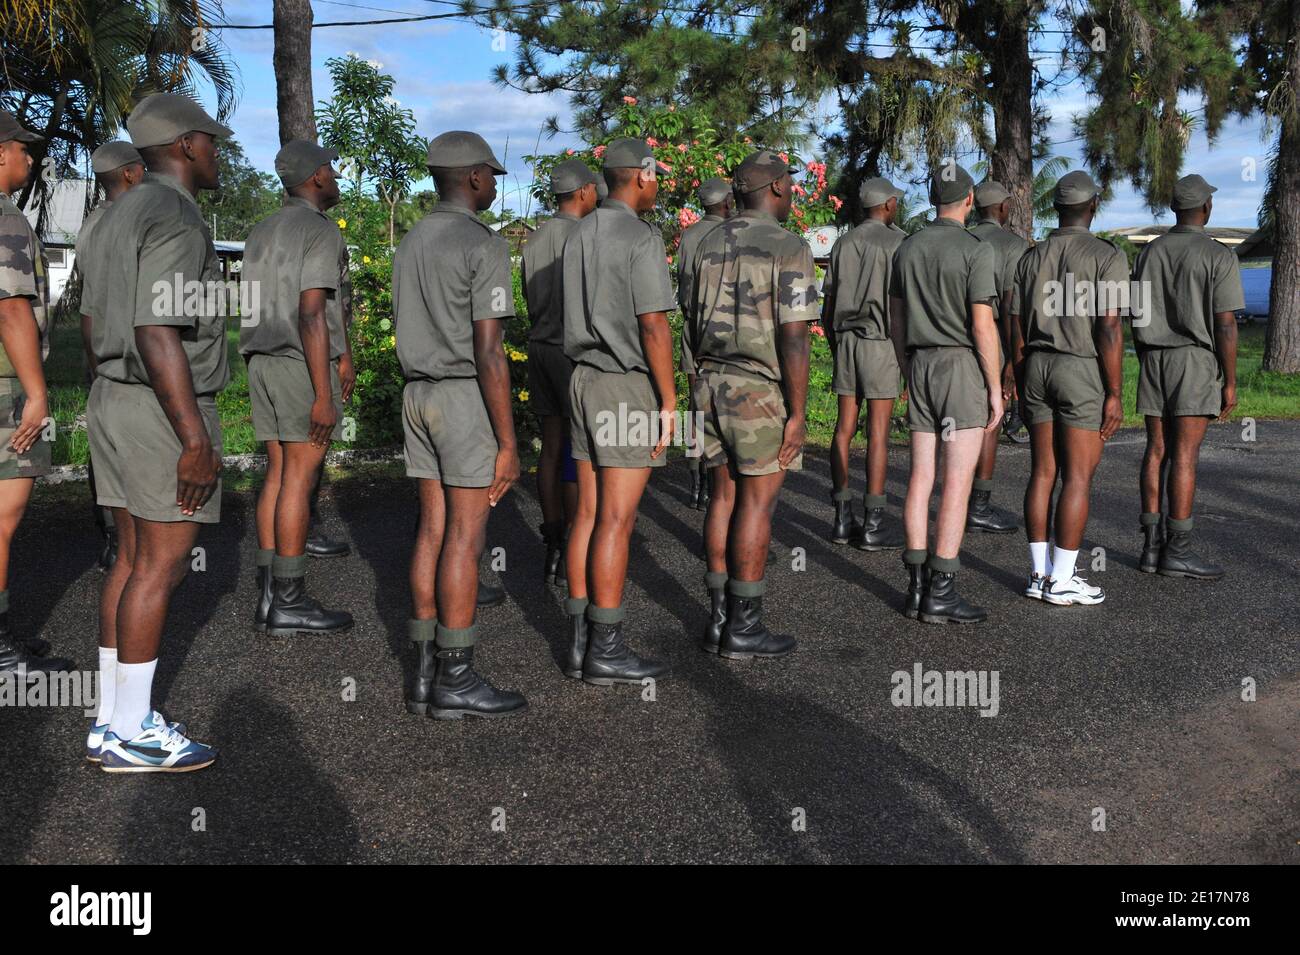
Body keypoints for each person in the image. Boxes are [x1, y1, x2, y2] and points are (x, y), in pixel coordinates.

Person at [82, 92, 232, 771]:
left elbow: (97, 321)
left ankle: (111, 720)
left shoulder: (117, 211)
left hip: (113, 396)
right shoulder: (174, 210)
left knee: (130, 558)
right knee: (161, 565)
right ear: (186, 145)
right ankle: (137, 730)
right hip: (161, 406)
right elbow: (157, 326)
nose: (218, 152)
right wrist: (194, 436)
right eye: (213, 140)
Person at [395, 131, 525, 719]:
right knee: (466, 540)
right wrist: (508, 441)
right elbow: (490, 350)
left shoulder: (413, 238)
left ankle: (423, 673)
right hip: (463, 399)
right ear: (473, 177)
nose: (496, 184)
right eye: (492, 175)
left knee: (431, 529)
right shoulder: (484, 245)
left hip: (416, 395)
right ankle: (458, 676)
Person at [690, 149, 816, 659]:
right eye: (791, 183)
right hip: (758, 390)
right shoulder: (789, 246)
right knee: (757, 504)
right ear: (779, 188)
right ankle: (745, 625)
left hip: (708, 384)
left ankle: (719, 619)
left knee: (723, 498)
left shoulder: (703, 241)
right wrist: (799, 411)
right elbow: (795, 337)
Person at [560, 137, 674, 685]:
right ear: (641, 177)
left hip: (581, 380)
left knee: (587, 512)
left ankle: (581, 639)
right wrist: (671, 400)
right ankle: (606, 647)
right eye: (656, 177)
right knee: (616, 519)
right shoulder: (640, 237)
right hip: (624, 385)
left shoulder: (578, 232)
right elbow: (653, 325)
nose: (660, 186)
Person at [241, 140, 354, 636]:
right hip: (299, 364)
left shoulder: (261, 229)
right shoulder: (318, 230)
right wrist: (324, 394)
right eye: (329, 168)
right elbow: (311, 313)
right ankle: (290, 598)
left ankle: (270, 593)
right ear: (314, 178)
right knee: (299, 480)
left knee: (277, 474)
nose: (334, 175)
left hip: (260, 361)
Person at [889, 163, 1003, 624]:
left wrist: (905, 367)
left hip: (919, 364)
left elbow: (896, 320)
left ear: (933, 198)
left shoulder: (907, 247)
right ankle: (942, 589)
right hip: (960, 366)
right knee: (956, 480)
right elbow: (983, 325)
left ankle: (915, 587)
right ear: (969, 199)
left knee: (920, 477)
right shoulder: (976, 250)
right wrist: (995, 388)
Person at [1009, 171, 1127, 605]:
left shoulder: (1029, 257)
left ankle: (1039, 575)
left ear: (1056, 208)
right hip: (1080, 369)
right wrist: (1114, 392)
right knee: (1078, 476)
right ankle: (1062, 579)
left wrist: (1021, 379)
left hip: (1037, 366)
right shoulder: (1105, 255)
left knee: (1042, 472)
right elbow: (1109, 325)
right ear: (1092, 206)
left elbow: (1015, 325)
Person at [1132, 174, 1241, 579]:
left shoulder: (1149, 253)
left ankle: (1150, 546)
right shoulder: (1218, 255)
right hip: (1194, 360)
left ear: (1176, 208)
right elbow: (1226, 324)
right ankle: (1178, 550)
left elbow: (1136, 313)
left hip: (1154, 358)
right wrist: (1229, 380)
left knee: (1155, 450)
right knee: (1185, 456)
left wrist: (1146, 353)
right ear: (1206, 209)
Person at [0, 111, 72, 677]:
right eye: (25, 149)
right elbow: (11, 308)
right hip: (5, 385)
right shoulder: (6, 219)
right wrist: (36, 394)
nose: (31, 159)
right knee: (4, 515)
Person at [520, 157, 599, 585]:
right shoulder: (584, 237)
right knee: (577, 452)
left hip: (538, 348)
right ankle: (573, 542)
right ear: (585, 191)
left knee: (550, 448)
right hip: (571, 354)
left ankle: (551, 540)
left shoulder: (534, 239)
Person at [822, 176, 906, 550]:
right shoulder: (899, 243)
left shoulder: (843, 243)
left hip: (846, 342)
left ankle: (842, 516)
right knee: (878, 435)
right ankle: (873, 522)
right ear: (887, 205)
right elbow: (903, 308)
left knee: (843, 429)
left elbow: (827, 306)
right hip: (881, 343)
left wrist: (836, 343)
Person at [76, 141, 146, 571]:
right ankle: (125, 541)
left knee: (104, 452)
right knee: (131, 455)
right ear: (130, 174)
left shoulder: (90, 225)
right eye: (142, 170)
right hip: (125, 354)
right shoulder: (128, 223)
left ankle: (113, 538)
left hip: (99, 351)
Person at [966, 179, 1030, 534]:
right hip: (994, 338)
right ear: (1003, 208)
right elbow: (1010, 307)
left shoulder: (963, 238)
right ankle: (979, 505)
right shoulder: (1013, 246)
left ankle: (956, 499)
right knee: (992, 419)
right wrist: (1011, 358)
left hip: (958, 340)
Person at [677, 177, 735, 511]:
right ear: (726, 201)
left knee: (695, 407)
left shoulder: (689, 235)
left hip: (691, 328)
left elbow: (683, 279)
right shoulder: (729, 233)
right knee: (722, 405)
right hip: (720, 329)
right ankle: (718, 481)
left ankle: (695, 482)